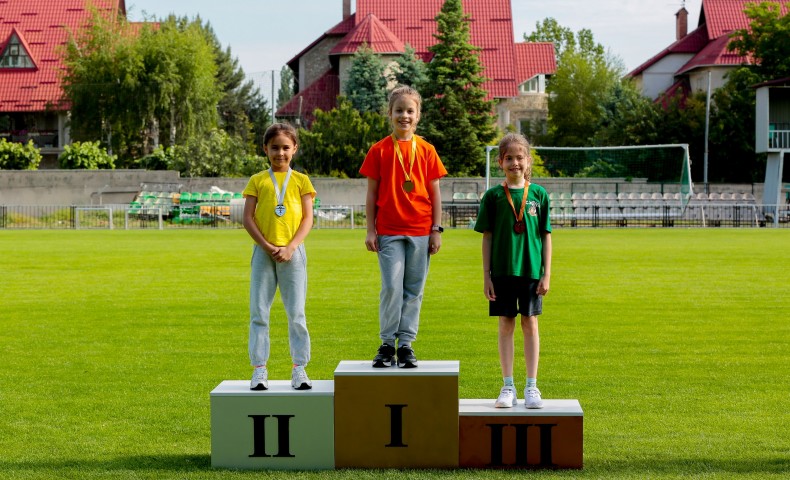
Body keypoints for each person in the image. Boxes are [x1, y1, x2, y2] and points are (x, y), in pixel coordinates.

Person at [360, 85, 447, 368]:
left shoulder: (427, 150)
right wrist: (370, 230)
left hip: (421, 231)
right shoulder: (379, 150)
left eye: (410, 111)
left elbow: (434, 193)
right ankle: (387, 343)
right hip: (389, 231)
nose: (404, 116)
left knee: (414, 290)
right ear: (390, 113)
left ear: (418, 115)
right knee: (391, 288)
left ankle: (406, 343)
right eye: (399, 111)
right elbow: (372, 194)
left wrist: (437, 229)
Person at [474, 133, 552, 408]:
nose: (515, 163)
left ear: (528, 161)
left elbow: (545, 235)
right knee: (506, 324)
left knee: (530, 324)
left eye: (520, 158)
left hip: (531, 271)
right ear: (500, 162)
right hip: (502, 273)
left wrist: (547, 273)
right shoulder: (494, 196)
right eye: (509, 158)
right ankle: (508, 386)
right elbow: (487, 237)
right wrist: (486, 276)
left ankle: (532, 386)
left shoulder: (539, 194)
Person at [242, 123, 316, 391]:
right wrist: (265, 245)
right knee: (259, 312)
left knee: (296, 313)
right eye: (275, 147)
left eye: (286, 147)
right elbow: (247, 218)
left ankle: (299, 369)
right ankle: (259, 369)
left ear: (294, 149)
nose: (280, 153)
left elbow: (308, 218)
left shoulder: (302, 181)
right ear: (265, 149)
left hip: (293, 254)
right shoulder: (257, 180)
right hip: (263, 253)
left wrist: (291, 246)